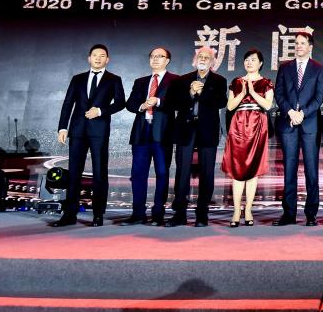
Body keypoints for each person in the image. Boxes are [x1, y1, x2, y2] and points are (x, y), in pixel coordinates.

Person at [52, 44, 125, 227]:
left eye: (102, 55)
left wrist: (100, 111)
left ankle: (98, 214)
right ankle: (69, 214)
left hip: (99, 131)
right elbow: (68, 103)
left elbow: (120, 103)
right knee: (74, 173)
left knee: (100, 172)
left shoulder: (114, 79)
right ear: (89, 58)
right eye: (94, 55)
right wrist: (62, 128)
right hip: (77, 130)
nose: (98, 58)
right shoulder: (77, 78)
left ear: (107, 59)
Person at [166, 47, 228, 227]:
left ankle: (202, 213)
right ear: (195, 60)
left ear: (212, 62)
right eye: (200, 56)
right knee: (182, 171)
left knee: (207, 172)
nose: (203, 59)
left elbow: (221, 102)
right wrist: (190, 93)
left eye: (207, 57)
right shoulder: (182, 80)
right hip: (185, 128)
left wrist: (202, 92)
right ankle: (180, 213)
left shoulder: (219, 80)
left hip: (207, 129)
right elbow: (172, 103)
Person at [272, 31, 323, 227]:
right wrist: (290, 112)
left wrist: (302, 113)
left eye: (303, 43)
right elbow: (279, 93)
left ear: (310, 46)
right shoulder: (285, 68)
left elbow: (319, 97)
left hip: (310, 124)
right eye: (296, 43)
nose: (299, 46)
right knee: (289, 170)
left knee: (311, 170)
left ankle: (311, 214)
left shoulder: (318, 68)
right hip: (288, 123)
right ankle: (289, 214)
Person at [122, 47, 179, 226]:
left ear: (167, 60)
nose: (155, 59)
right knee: (138, 174)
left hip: (162, 133)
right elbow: (130, 104)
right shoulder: (140, 81)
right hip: (141, 132)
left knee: (162, 173)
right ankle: (138, 213)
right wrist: (141, 106)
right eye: (152, 56)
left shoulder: (175, 80)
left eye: (159, 56)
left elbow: (179, 103)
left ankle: (158, 214)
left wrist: (159, 101)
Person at [221, 48, 274, 227]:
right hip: (238, 126)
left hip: (258, 125)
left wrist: (253, 92)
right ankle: (236, 211)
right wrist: (243, 93)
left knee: (253, 169)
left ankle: (249, 210)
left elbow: (268, 105)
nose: (249, 62)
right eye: (247, 60)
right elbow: (230, 107)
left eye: (253, 59)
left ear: (260, 63)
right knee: (238, 169)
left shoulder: (266, 82)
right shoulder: (237, 82)